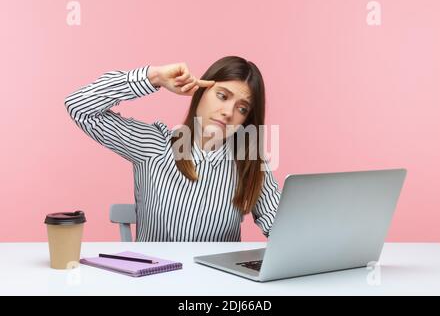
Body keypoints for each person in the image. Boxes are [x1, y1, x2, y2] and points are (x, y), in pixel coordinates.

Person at [64, 56, 280, 241]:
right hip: (156, 282)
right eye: (222, 96)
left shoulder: (249, 162)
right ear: (200, 92)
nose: (228, 112)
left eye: (242, 108)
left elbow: (280, 225)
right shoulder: (153, 145)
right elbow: (80, 107)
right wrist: (154, 77)